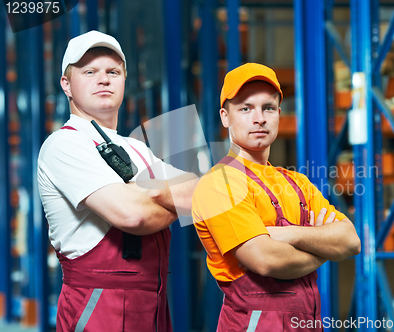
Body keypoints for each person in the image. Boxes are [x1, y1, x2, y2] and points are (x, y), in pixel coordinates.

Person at [38, 30, 198, 332]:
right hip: (98, 308)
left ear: (124, 80)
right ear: (66, 84)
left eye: (113, 71)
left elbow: (197, 190)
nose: (104, 79)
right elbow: (133, 216)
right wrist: (162, 197)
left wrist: (143, 194)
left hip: (153, 303)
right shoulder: (64, 145)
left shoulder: (136, 147)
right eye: (89, 72)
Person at [192, 63, 361, 331]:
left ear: (279, 113)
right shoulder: (220, 183)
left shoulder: (297, 183)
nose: (259, 118)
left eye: (268, 108)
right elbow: (265, 259)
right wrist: (323, 250)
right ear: (225, 117)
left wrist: (293, 235)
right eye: (245, 109)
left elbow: (350, 241)